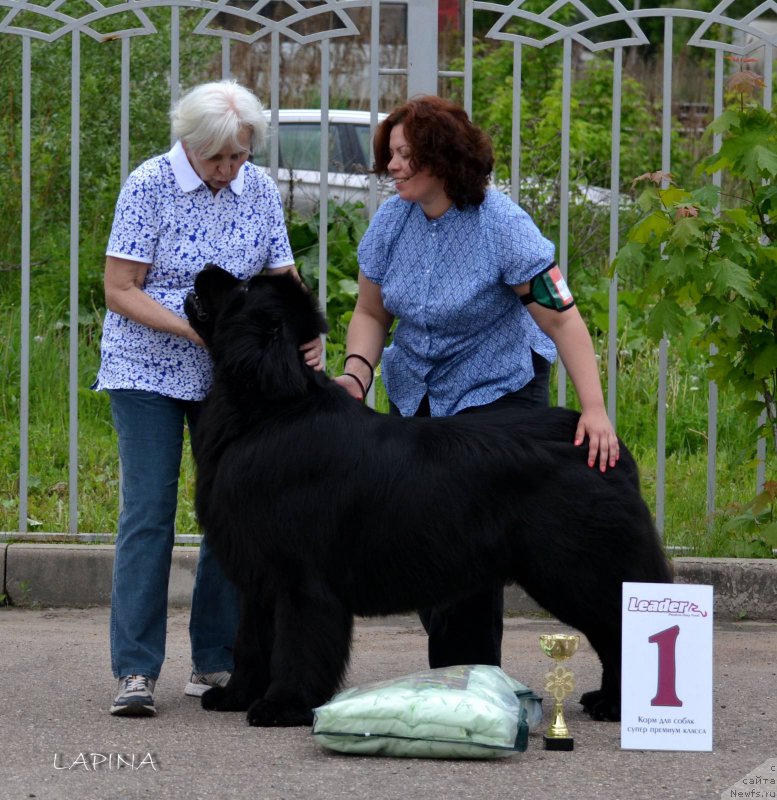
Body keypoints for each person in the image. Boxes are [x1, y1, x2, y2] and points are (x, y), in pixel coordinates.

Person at [335, 95, 618, 670]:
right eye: (389, 155)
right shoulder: (391, 220)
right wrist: (355, 377)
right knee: (418, 536)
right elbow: (370, 313)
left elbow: (561, 316)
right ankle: (461, 671)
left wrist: (595, 410)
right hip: (418, 390)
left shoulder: (504, 225)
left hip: (496, 389)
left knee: (465, 537)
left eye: (405, 156)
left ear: (444, 158)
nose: (391, 167)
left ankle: (464, 679)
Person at [93, 80, 322, 717]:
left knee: (233, 513)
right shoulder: (149, 184)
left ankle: (216, 660)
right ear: (189, 146)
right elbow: (121, 288)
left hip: (230, 381)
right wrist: (196, 329)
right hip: (147, 370)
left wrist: (308, 336)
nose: (230, 170)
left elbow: (282, 277)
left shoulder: (257, 190)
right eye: (218, 158)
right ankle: (135, 671)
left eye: (240, 156)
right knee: (150, 511)